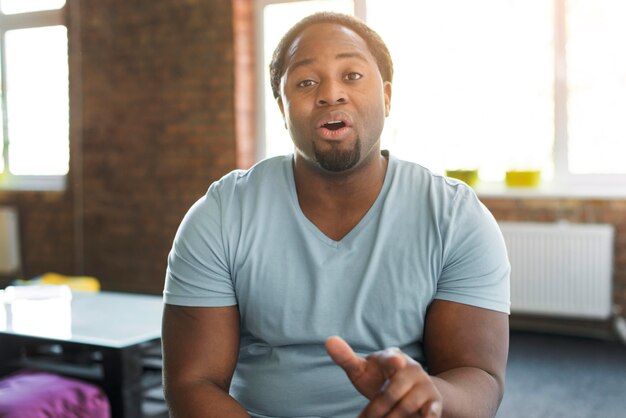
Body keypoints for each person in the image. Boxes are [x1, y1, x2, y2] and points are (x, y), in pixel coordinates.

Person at [162, 11, 510, 418]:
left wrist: (432, 394)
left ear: (386, 96)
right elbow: (192, 383)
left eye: (352, 75)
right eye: (306, 82)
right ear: (282, 108)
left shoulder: (456, 217)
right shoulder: (221, 214)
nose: (331, 94)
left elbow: (480, 378)